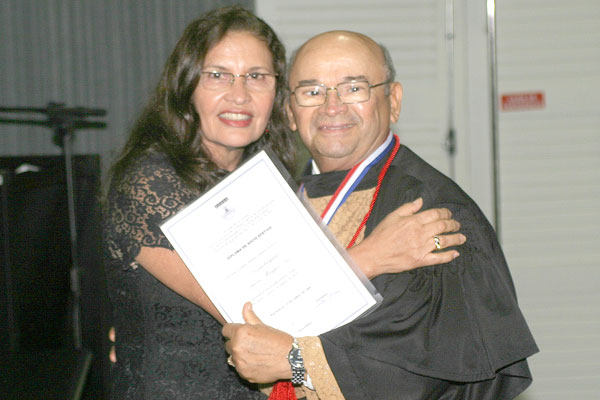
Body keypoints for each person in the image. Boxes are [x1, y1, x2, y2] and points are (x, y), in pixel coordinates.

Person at [103, 7, 465, 400]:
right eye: (218, 75)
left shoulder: (266, 179)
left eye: (256, 76)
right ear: (186, 86)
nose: (239, 95)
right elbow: (259, 314)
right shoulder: (150, 182)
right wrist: (374, 256)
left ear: (278, 94)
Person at [222, 31, 539, 400]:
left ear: (394, 101)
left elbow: (428, 367)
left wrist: (297, 361)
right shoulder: (278, 204)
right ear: (290, 113)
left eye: (354, 88)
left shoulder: (431, 212)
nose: (332, 106)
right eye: (312, 91)